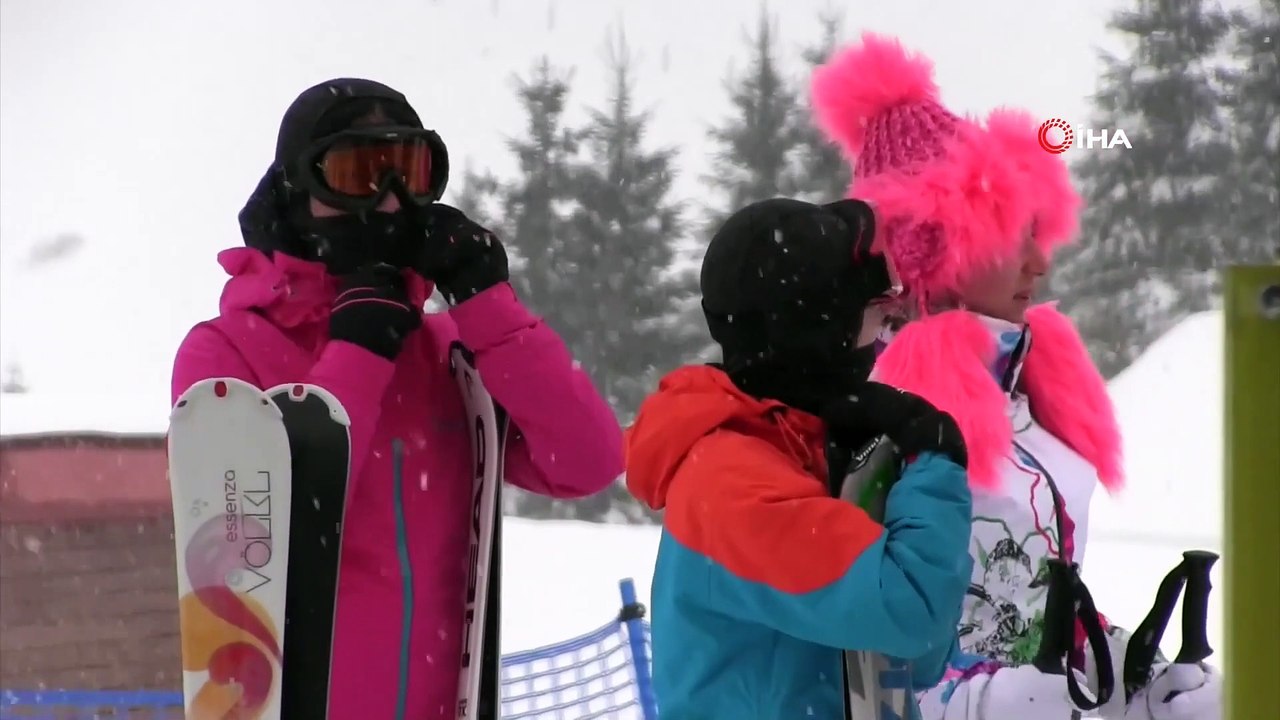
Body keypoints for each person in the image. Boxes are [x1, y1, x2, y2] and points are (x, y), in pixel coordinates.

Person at [170, 78, 625, 719]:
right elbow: (265, 544)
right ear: (299, 191)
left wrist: (488, 310)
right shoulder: (224, 354)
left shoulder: (445, 353)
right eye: (356, 174)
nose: (388, 204)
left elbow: (587, 461)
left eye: (409, 172)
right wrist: (357, 355)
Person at [811, 32, 1224, 720]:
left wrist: (1130, 675)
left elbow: (1035, 612)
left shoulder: (1021, 395)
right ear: (935, 247)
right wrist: (987, 703)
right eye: (1012, 233)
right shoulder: (884, 417)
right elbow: (863, 668)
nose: (1039, 261)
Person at [624, 196, 976, 718]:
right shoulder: (732, 483)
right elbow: (912, 614)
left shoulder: (803, 454)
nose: (883, 339)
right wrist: (934, 462)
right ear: (819, 331)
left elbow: (916, 658)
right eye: (875, 315)